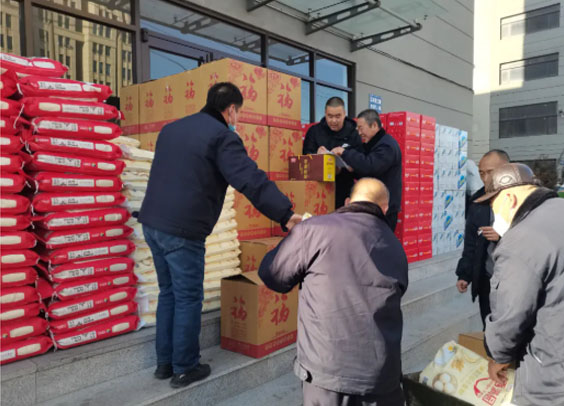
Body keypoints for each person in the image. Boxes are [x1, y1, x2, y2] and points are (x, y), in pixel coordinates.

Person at [138, 82, 302, 388]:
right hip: (182, 230)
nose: (237, 119)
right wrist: (284, 213)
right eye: (238, 114)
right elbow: (250, 179)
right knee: (187, 297)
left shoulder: (171, 130)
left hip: (151, 223)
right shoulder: (222, 137)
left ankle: (164, 363)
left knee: (168, 292)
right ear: (231, 110)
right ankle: (185, 367)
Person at [259, 178, 408, 406]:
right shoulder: (396, 247)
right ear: (385, 209)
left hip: (326, 374)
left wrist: (296, 237)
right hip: (381, 375)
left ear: (348, 202)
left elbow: (273, 275)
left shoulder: (314, 229)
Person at [473, 163, 564, 406]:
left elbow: (510, 313)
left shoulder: (521, 240)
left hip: (559, 379)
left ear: (510, 199)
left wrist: (499, 355)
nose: (495, 216)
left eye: (494, 206)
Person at [455, 149, 510, 326]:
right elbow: (471, 244)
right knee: (490, 329)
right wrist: (465, 274)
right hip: (487, 279)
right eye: (481, 173)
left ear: (506, 169)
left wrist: (503, 237)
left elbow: (536, 242)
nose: (485, 178)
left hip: (515, 281)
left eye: (490, 172)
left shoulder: (524, 200)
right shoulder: (478, 202)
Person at [331, 109, 402, 231]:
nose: (359, 133)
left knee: (379, 240)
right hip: (373, 206)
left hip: (384, 209)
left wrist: (344, 153)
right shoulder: (372, 145)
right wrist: (347, 168)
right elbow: (364, 168)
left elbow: (370, 166)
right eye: (357, 129)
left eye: (361, 128)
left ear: (374, 125)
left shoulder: (387, 146)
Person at [302, 97, 363, 208]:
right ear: (325, 114)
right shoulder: (314, 132)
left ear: (344, 114)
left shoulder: (354, 134)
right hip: (318, 191)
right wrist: (317, 156)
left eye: (338, 116)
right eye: (330, 116)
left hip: (344, 192)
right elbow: (304, 161)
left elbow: (360, 163)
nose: (334, 121)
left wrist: (344, 167)